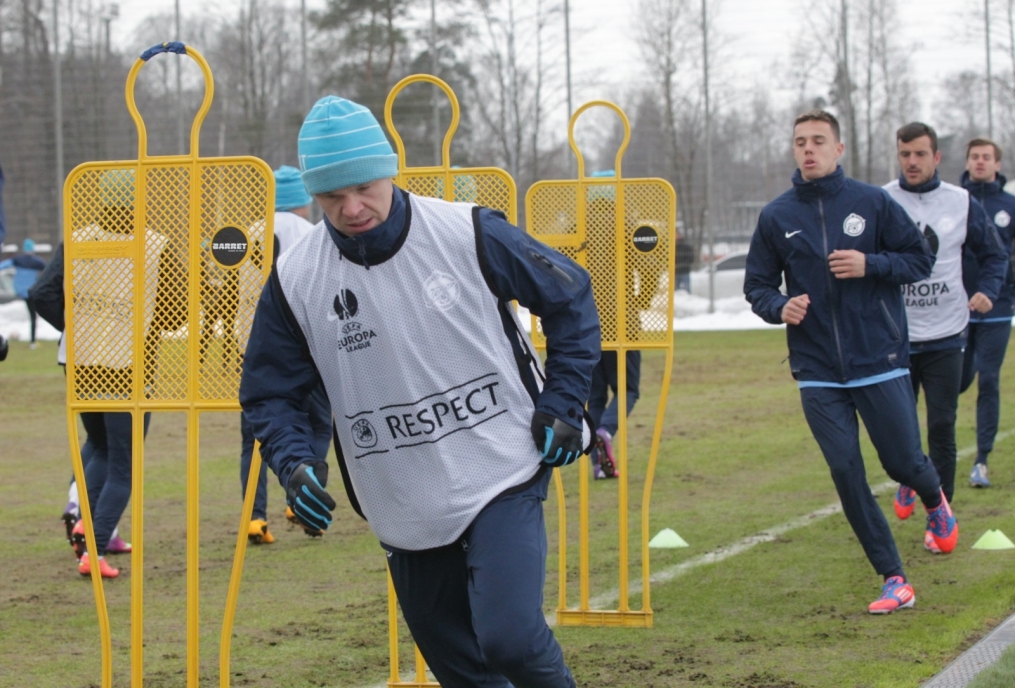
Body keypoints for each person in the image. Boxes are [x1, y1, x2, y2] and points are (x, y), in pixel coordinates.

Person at [241, 95, 599, 687]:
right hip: (398, 493)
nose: (353, 208)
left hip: (498, 463)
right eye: (332, 196)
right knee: (461, 671)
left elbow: (571, 297)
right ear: (314, 196)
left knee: (510, 640)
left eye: (364, 188)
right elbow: (268, 391)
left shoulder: (468, 230)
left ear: (388, 171)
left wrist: (563, 401)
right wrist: (294, 463)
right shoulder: (295, 277)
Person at [745, 109, 954, 615]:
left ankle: (933, 500)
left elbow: (918, 260)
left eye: (819, 140)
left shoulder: (872, 202)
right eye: (800, 142)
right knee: (845, 470)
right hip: (817, 371)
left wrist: (871, 265)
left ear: (839, 149)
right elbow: (757, 286)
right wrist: (780, 307)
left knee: (902, 463)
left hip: (878, 359)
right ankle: (894, 577)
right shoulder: (777, 217)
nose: (809, 149)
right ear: (794, 150)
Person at [883, 123, 1007, 516]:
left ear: (936, 157)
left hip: (947, 334)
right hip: (896, 336)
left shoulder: (961, 201)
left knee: (942, 427)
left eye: (920, 154)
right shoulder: (882, 200)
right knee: (899, 430)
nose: (912, 162)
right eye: (905, 154)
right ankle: (909, 476)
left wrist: (987, 289)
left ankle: (941, 514)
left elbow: (994, 255)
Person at [239, 165, 332, 544]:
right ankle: (304, 501)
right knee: (319, 425)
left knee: (254, 438)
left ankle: (255, 518)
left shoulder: (246, 235)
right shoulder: (313, 236)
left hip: (249, 347)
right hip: (303, 351)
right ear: (303, 200)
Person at [958, 137, 1015, 488]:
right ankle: (937, 454)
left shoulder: (1009, 205)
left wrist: (1001, 291)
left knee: (989, 378)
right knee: (956, 383)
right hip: (957, 309)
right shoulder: (954, 202)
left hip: (998, 306)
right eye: (974, 157)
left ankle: (981, 459)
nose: (980, 162)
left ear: (997, 164)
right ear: (967, 162)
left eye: (986, 157)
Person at [0, 238, 47, 348]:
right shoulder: (38, 261)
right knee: (33, 316)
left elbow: (3, 265)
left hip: (19, 290)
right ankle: (32, 342)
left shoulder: (17, 259)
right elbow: (49, 271)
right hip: (32, 292)